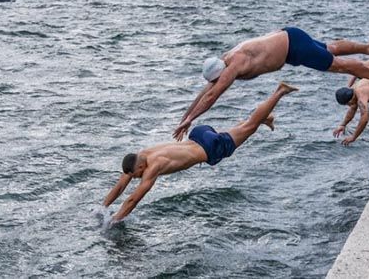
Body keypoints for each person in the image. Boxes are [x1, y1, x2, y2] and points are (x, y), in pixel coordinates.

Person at [103, 82, 296, 224]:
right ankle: (266, 119)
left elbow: (133, 199)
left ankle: (279, 92)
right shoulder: (143, 154)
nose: (137, 178)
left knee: (250, 126)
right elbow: (120, 186)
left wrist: (112, 221)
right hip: (199, 134)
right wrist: (102, 208)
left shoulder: (154, 166)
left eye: (137, 175)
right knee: (244, 128)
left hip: (210, 148)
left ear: (141, 166)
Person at [173, 27, 369, 140]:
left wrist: (192, 119)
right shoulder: (224, 60)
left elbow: (213, 96)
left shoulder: (233, 66)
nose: (217, 83)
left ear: (221, 73)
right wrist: (186, 118)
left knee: (339, 66)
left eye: (218, 80)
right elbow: (206, 91)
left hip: (293, 48)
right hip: (290, 38)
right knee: (331, 48)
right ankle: (368, 47)